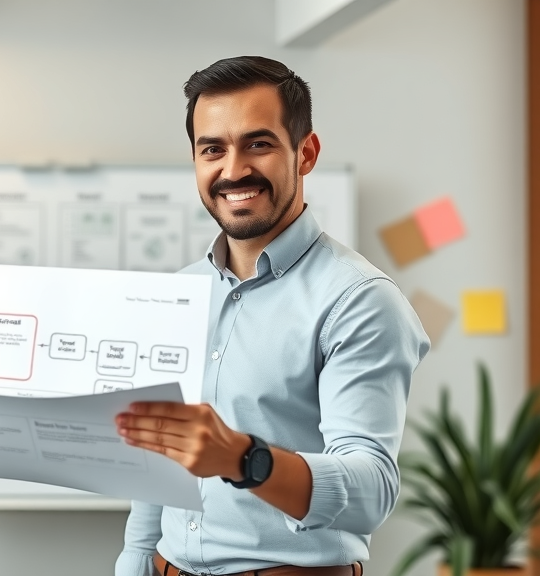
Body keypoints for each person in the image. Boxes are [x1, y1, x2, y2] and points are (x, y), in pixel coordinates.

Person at [114, 56, 430, 575]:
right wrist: (134, 562)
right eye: (212, 149)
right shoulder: (179, 293)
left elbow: (372, 490)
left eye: (257, 144)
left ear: (306, 153)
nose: (233, 170)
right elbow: (159, 459)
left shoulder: (359, 299)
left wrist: (243, 459)